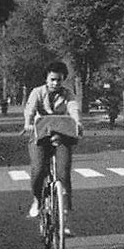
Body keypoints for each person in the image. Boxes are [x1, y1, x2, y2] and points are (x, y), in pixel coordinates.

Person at [23, 62, 82, 221]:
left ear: (63, 80)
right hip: (40, 136)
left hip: (61, 135)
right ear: (46, 79)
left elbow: (73, 108)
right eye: (52, 79)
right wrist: (28, 124)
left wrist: (77, 122)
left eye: (59, 80)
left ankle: (65, 216)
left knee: (64, 172)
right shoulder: (37, 92)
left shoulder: (67, 94)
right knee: (38, 170)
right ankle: (37, 199)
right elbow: (30, 109)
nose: (56, 83)